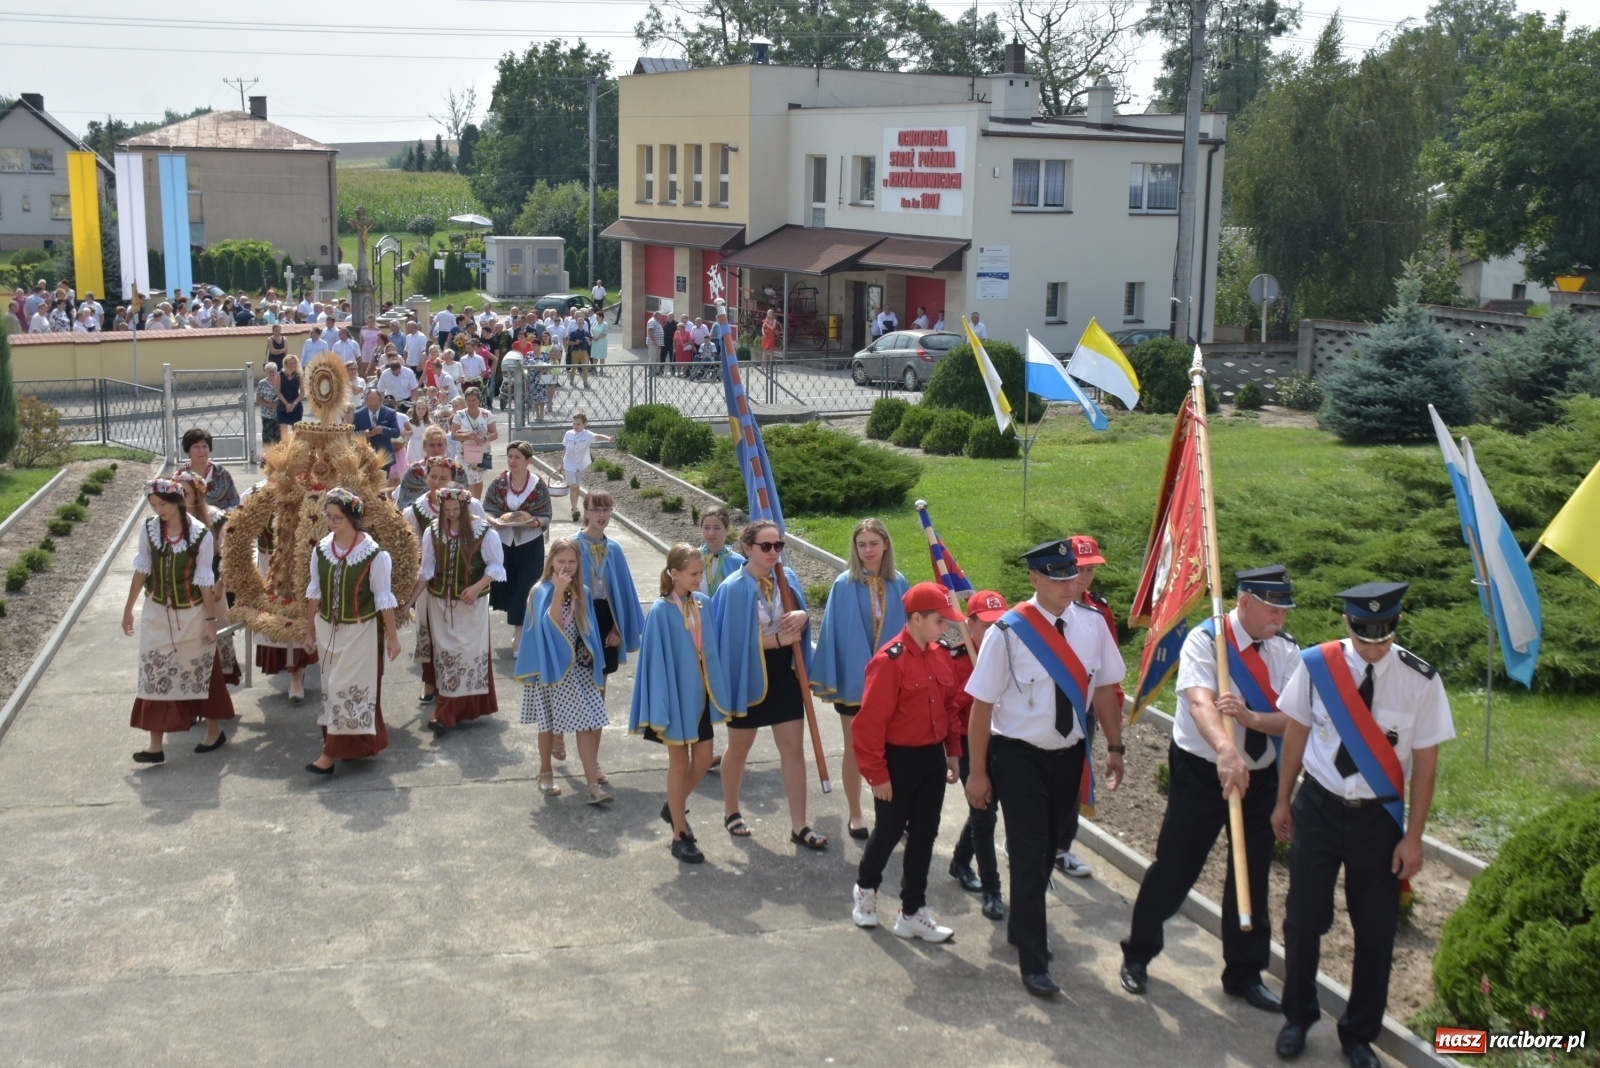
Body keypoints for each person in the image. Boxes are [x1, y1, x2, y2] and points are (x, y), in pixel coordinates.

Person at [1272, 582, 1455, 1068]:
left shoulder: (1421, 680)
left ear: (1395, 626)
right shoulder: (1317, 666)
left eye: (1384, 636)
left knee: (1375, 932)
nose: (1374, 647)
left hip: (1379, 820)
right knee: (1302, 920)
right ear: (1347, 624)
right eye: (1364, 636)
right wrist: (1282, 802)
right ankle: (1298, 1017)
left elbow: (1426, 766)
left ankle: (1358, 1034)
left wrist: (1414, 837)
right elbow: (1296, 734)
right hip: (1320, 805)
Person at [1120, 564, 1300, 1012]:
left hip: (1259, 776)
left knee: (1251, 874)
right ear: (1244, 602)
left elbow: (1297, 719)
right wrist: (1226, 749)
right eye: (1272, 609)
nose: (1280, 619)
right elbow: (1200, 701)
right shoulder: (1207, 640)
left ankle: (1244, 974)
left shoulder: (1287, 651)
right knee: (1176, 866)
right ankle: (1139, 953)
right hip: (1203, 771)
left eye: (1284, 610)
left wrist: (1252, 722)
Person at [963, 540, 1127, 998]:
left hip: (1069, 754)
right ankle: (1034, 959)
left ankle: (1021, 923)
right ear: (1034, 578)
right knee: (1030, 852)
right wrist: (979, 772)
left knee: (1052, 844)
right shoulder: (1009, 632)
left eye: (1071, 575)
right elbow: (981, 706)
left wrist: (1115, 746)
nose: (1067, 585)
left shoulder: (1093, 625)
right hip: (1018, 757)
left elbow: (1107, 689)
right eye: (1055, 577)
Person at [850, 582, 966, 941]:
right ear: (916, 619)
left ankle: (912, 911)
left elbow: (950, 708)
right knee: (887, 832)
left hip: (931, 759)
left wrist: (953, 752)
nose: (946, 627)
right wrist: (877, 775)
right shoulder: (889, 661)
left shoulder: (941, 653)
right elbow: (868, 725)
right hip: (897, 763)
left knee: (925, 836)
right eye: (939, 621)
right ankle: (865, 892)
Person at [710, 520, 825, 850]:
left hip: (784, 673)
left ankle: (799, 825)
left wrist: (803, 616)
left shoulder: (786, 579)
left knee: (792, 750)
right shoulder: (733, 588)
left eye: (778, 546)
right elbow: (730, 643)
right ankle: (732, 811)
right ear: (747, 548)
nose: (773, 552)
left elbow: (800, 616)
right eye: (766, 546)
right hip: (747, 674)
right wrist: (776, 639)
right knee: (740, 747)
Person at [630, 544, 736, 863]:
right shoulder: (661, 612)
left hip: (701, 698)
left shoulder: (703, 603)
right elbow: (656, 663)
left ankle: (672, 805)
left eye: (701, 572)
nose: (698, 579)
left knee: (703, 759)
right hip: (674, 700)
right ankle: (680, 834)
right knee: (679, 762)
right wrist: (662, 703)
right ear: (673, 573)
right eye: (692, 573)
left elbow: (712, 650)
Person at [122, 477, 235, 763]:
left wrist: (210, 620)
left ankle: (214, 730)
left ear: (177, 502)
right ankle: (155, 746)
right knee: (154, 672)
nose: (158, 509)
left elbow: (204, 580)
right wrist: (129, 608)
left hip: (193, 613)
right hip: (157, 611)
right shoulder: (149, 530)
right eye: (154, 505)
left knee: (200, 670)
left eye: (163, 504)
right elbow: (142, 570)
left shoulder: (200, 534)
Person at [810, 518, 909, 839]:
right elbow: (836, 636)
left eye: (873, 544)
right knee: (855, 749)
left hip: (893, 685)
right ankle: (855, 812)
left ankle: (895, 812)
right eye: (861, 544)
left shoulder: (900, 583)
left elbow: (909, 634)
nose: (867, 550)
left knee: (895, 751)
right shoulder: (843, 584)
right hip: (854, 684)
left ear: (886, 545)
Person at [301, 489, 402, 776]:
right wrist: (308, 632)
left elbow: (384, 599)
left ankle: (329, 755)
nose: (332, 523)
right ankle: (355, 746)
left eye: (338, 518)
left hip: (360, 632)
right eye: (328, 517)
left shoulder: (375, 556)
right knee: (331, 687)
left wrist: (393, 638)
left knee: (345, 688)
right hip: (326, 630)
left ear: (353, 519)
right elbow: (314, 593)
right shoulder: (321, 549)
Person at [514, 537, 612, 803]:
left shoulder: (584, 592)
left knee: (587, 724)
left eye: (571, 561)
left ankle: (592, 784)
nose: (566, 567)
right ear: (551, 562)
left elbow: (586, 626)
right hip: (550, 671)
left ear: (579, 563)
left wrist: (591, 648)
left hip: (577, 671)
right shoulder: (541, 591)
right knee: (547, 726)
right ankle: (545, 772)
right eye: (561, 561)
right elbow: (550, 625)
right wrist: (558, 592)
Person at [1054, 534, 1125, 878]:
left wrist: (1116, 701)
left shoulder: (1099, 609)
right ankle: (1030, 837)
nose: (1083, 578)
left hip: (1087, 706)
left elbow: (1109, 663)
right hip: (1050, 706)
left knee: (1075, 776)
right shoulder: (1047, 607)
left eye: (1090, 570)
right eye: (1079, 569)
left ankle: (1062, 847)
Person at [407, 485, 504, 732]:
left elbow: (496, 567)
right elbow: (427, 570)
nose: (450, 514)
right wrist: (408, 602)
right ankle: (447, 711)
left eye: (455, 509)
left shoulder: (483, 531)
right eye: (446, 509)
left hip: (471, 606)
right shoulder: (433, 531)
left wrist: (476, 587)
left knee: (467, 654)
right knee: (447, 657)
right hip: (440, 603)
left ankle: (447, 712)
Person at [945, 589, 1009, 921]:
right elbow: (953, 715)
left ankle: (959, 860)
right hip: (971, 745)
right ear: (970, 626)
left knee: (985, 807)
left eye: (1000, 623)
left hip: (1006, 742)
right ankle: (992, 890)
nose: (994, 631)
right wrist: (953, 755)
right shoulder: (958, 661)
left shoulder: (1013, 655)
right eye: (986, 624)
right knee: (984, 812)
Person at [484, 441, 553, 657]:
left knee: (526, 587)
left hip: (529, 543)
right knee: (508, 585)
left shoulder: (538, 485)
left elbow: (546, 515)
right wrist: (494, 521)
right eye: (510, 456)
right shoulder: (499, 482)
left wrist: (535, 523)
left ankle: (519, 637)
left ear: (528, 461)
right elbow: (487, 509)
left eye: (517, 457)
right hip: (504, 542)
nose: (512, 461)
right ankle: (518, 628)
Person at [575, 491, 644, 684]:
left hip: (606, 616)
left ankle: (599, 715)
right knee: (579, 676)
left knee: (601, 677)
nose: (602, 515)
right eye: (596, 510)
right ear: (586, 513)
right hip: (579, 617)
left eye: (606, 509)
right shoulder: (572, 545)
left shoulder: (614, 549)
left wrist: (617, 628)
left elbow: (624, 593)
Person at [561, 413, 610, 523]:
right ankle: (574, 510)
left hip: (580, 465)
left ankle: (575, 507)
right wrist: (561, 464)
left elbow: (598, 436)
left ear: (584, 424)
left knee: (577, 487)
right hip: (569, 464)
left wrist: (608, 438)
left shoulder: (587, 434)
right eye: (574, 424)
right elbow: (565, 449)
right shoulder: (568, 434)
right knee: (573, 487)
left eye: (578, 424)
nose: (575, 426)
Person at [177, 428, 241, 511]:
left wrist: (220, 515)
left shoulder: (221, 474)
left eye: (204, 446)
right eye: (196, 447)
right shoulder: (180, 476)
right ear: (188, 451)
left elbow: (234, 503)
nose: (201, 451)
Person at [450, 388, 497, 500]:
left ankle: (477, 502)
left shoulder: (487, 414)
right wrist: (466, 437)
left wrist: (484, 438)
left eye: (474, 400)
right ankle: (466, 502)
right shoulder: (459, 415)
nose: (471, 403)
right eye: (469, 400)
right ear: (465, 401)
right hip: (464, 453)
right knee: (465, 478)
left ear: (479, 401)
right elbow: (453, 434)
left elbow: (494, 434)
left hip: (481, 453)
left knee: (478, 479)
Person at [352, 388, 403, 474]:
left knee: (383, 485)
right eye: (370, 405)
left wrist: (383, 430)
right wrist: (363, 434)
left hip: (384, 456)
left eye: (375, 406)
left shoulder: (389, 413)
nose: (373, 408)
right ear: (366, 401)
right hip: (364, 456)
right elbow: (352, 434)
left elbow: (396, 432)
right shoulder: (358, 414)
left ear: (381, 401)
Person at [697, 506, 744, 597]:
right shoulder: (691, 558)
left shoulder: (738, 562)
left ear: (726, 530)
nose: (711, 533)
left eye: (717, 528)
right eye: (706, 528)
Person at [277, 355, 305, 432]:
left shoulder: (299, 375)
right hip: (283, 406)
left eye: (294, 363)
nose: (292, 365)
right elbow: (278, 391)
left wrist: (294, 404)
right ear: (285, 364)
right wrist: (286, 404)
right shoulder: (280, 374)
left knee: (296, 433)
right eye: (290, 363)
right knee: (283, 433)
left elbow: (302, 392)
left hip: (296, 405)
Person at [566, 313, 591, 387]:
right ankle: (571, 380)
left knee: (585, 368)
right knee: (574, 367)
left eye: (581, 323)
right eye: (578, 323)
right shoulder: (574, 333)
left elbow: (590, 344)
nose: (580, 324)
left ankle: (585, 382)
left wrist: (588, 341)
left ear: (583, 324)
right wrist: (575, 343)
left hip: (584, 351)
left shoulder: (586, 333)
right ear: (577, 323)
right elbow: (569, 343)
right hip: (575, 351)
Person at [646, 312, 667, 377]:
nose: (661, 317)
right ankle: (651, 372)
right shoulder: (652, 321)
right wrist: (654, 341)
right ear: (656, 315)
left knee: (656, 358)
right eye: (660, 316)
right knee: (653, 358)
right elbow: (650, 331)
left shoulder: (656, 321)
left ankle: (655, 371)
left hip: (657, 343)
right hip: (653, 343)